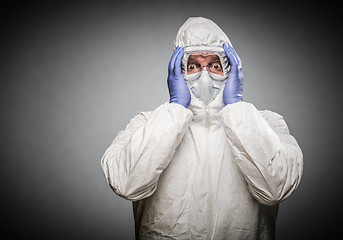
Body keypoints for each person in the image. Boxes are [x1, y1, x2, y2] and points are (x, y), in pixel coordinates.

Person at [101, 17, 303, 240]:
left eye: (215, 65)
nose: (204, 75)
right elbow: (127, 184)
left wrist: (237, 108)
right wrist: (175, 108)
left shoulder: (267, 124)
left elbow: (276, 189)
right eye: (193, 65)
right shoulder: (146, 124)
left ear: (230, 71)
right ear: (178, 72)